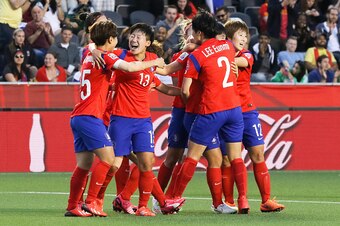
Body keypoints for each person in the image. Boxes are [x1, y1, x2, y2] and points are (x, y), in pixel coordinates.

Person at [65, 20, 166, 217]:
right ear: (110, 39)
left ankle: (72, 206)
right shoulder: (108, 56)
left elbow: (92, 47)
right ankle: (91, 202)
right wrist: (154, 62)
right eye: (115, 40)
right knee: (110, 160)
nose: (118, 43)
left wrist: (93, 48)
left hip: (78, 115)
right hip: (91, 116)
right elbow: (129, 68)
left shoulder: (90, 56)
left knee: (84, 165)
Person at [169, 10, 249, 214]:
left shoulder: (196, 55)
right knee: (235, 158)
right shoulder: (228, 46)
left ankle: (172, 198)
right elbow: (239, 62)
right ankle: (242, 201)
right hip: (234, 109)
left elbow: (185, 90)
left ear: (199, 33)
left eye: (193, 31)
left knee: (192, 157)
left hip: (209, 110)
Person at [107, 23, 184, 217]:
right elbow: (99, 51)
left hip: (143, 121)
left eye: (138, 36)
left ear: (147, 42)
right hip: (120, 117)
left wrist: (187, 94)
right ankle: (96, 199)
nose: (133, 39)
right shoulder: (121, 55)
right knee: (114, 164)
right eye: (132, 35)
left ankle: (142, 206)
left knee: (146, 163)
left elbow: (164, 88)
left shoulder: (151, 60)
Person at [224, 19, 285, 212]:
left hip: (247, 111)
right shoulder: (221, 56)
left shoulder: (247, 55)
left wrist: (227, 59)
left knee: (258, 153)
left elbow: (242, 61)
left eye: (245, 35)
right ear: (228, 38)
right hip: (226, 111)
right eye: (239, 35)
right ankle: (230, 201)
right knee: (228, 159)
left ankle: (266, 200)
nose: (243, 39)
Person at [24, 3, 55, 68]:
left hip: (48, 49)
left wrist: (48, 34)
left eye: (39, 12)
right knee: (37, 54)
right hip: (36, 49)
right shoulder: (29, 25)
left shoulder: (47, 24)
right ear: (32, 14)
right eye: (34, 13)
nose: (37, 15)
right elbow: (30, 41)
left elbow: (53, 43)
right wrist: (39, 31)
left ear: (42, 13)